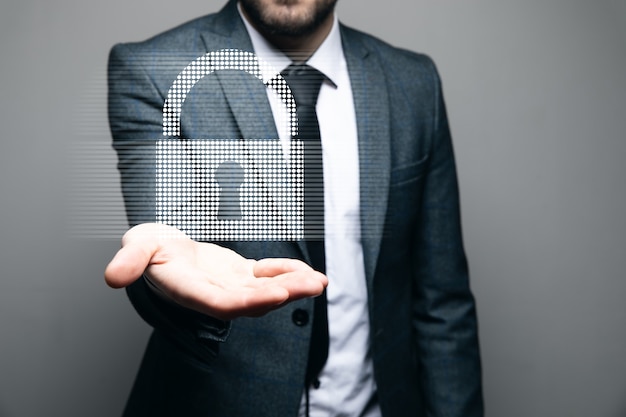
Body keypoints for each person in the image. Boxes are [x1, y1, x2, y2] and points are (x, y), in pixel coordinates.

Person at [105, 0, 484, 416]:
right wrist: (160, 279)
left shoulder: (414, 83)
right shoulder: (153, 70)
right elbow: (165, 249)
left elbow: (443, 302)